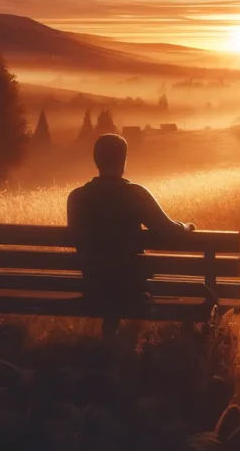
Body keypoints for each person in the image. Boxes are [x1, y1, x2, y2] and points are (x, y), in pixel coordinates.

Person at [67, 133, 195, 337]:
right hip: (131, 289)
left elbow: (76, 237)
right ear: (124, 160)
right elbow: (169, 230)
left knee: (110, 267)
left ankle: (111, 337)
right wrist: (186, 226)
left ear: (96, 160)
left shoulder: (76, 197)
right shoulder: (134, 194)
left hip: (94, 287)